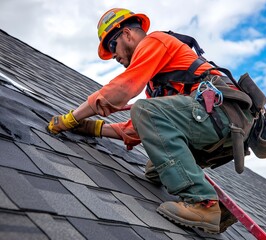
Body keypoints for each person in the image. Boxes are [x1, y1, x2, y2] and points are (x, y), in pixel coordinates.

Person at [47, 8, 249, 233]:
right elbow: (138, 129)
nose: (114, 56)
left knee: (144, 111)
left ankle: (203, 203)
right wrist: (94, 128)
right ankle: (218, 212)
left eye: (112, 46)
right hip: (219, 126)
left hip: (223, 114)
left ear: (127, 34)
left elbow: (123, 88)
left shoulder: (154, 42)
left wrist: (72, 117)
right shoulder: (157, 84)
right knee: (155, 169)